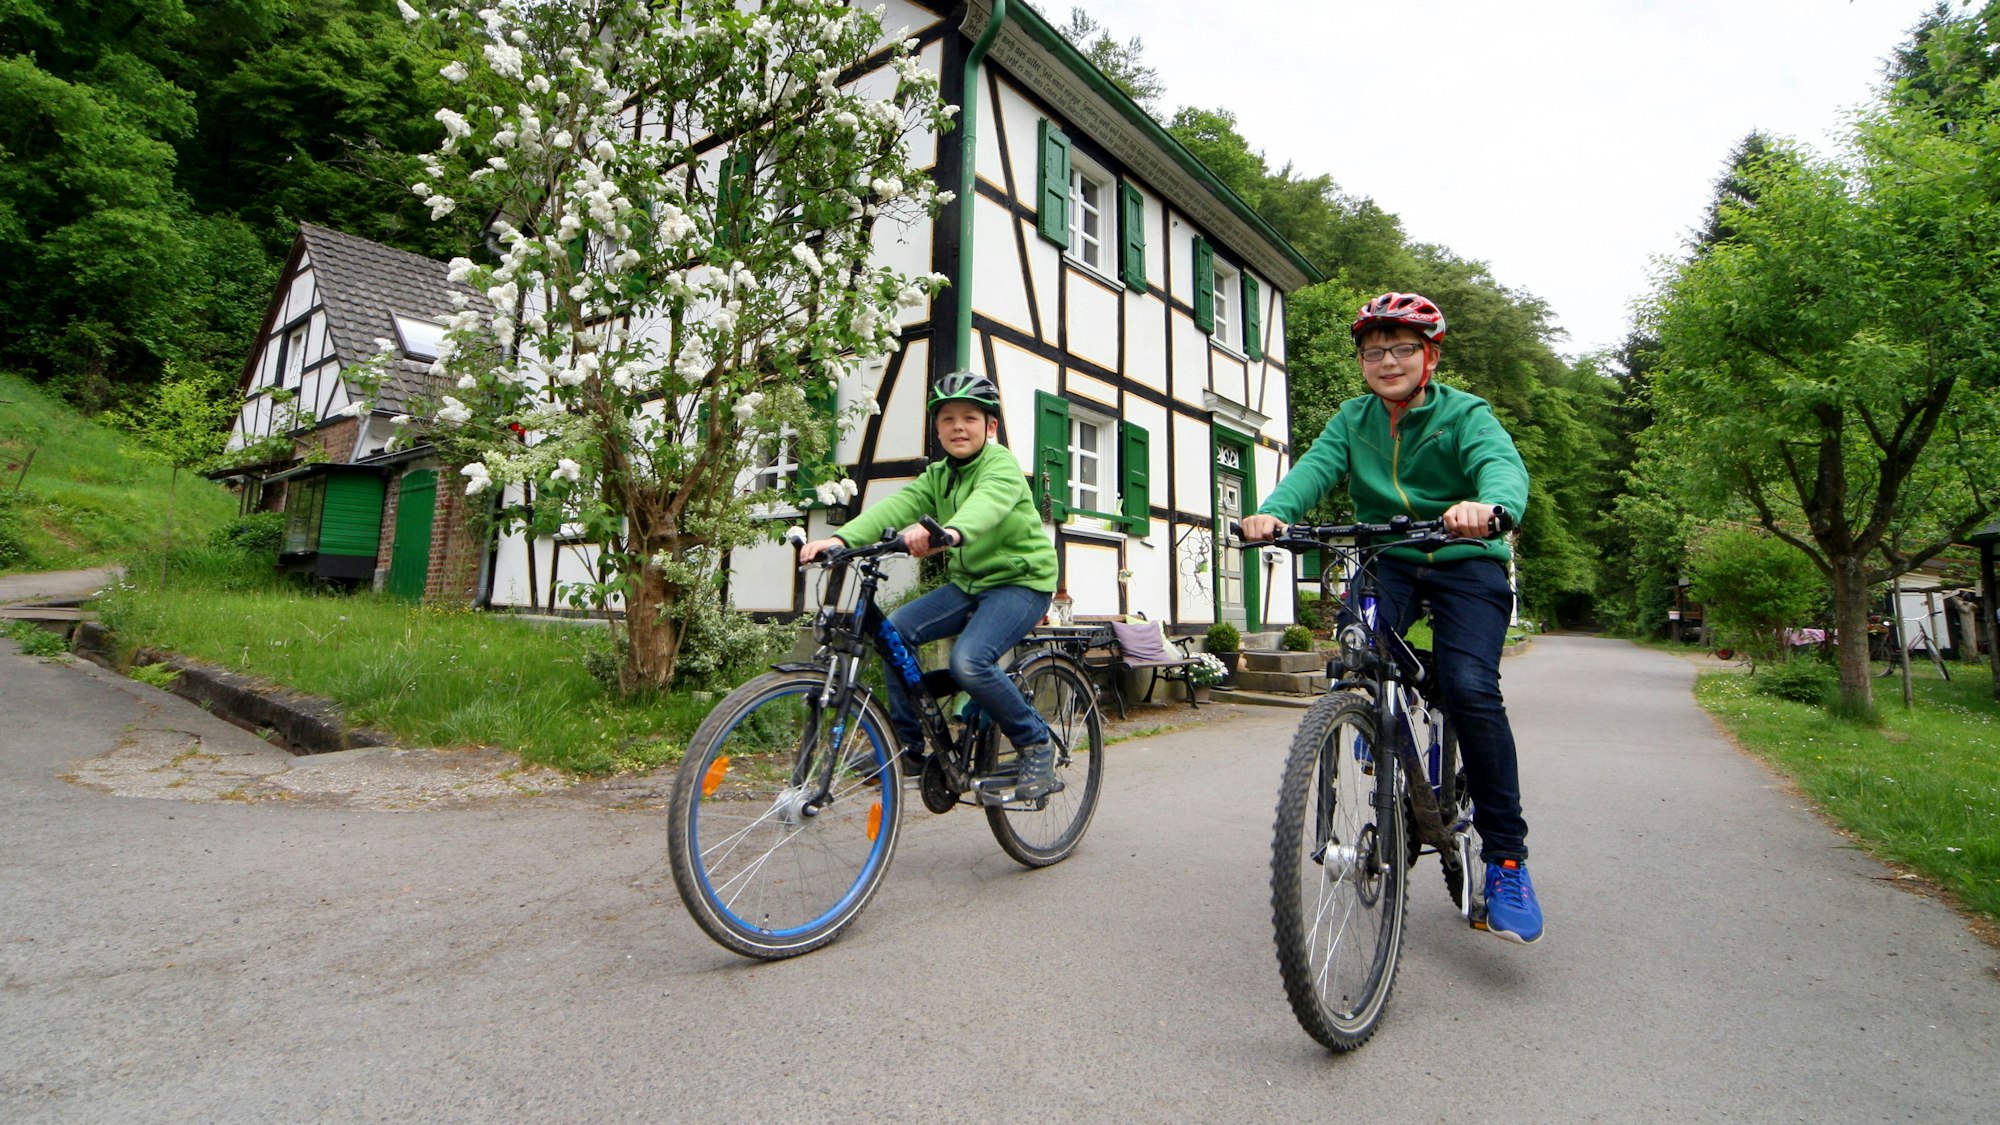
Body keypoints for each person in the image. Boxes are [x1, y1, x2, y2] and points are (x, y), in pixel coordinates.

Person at [1239, 292, 1544, 944]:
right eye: (1374, 350)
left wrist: (1487, 504)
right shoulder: (1352, 419)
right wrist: (1273, 511)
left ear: (1429, 356)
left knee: (1468, 686)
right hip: (1392, 560)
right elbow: (1314, 471)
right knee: (1357, 649)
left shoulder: (1465, 413)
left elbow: (1500, 465)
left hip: (1467, 558)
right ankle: (1374, 723)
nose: (1387, 360)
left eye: (1403, 347)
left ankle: (1508, 861)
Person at [797, 370, 1063, 800]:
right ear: (937, 429)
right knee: (895, 634)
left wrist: (952, 532)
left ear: (990, 427)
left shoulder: (1001, 465)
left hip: (1021, 582)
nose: (958, 426)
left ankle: (1035, 742)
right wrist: (841, 539)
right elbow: (898, 506)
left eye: (970, 418)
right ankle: (910, 748)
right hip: (969, 583)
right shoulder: (939, 476)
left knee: (971, 661)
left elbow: (988, 504)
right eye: (948, 419)